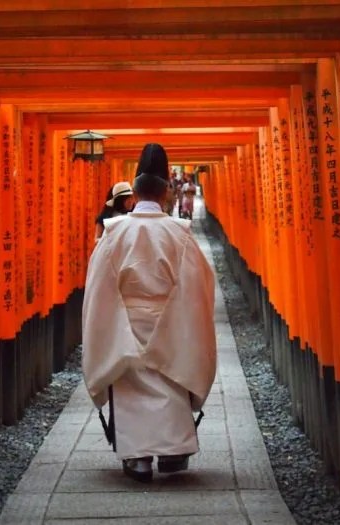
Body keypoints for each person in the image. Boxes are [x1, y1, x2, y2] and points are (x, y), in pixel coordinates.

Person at [82, 143, 216, 483]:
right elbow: (199, 286)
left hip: (122, 323)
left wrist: (111, 325)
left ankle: (138, 458)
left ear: (133, 190)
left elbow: (97, 287)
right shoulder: (179, 234)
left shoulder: (114, 234)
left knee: (128, 382)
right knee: (171, 377)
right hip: (171, 323)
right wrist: (178, 323)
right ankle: (172, 452)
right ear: (165, 191)